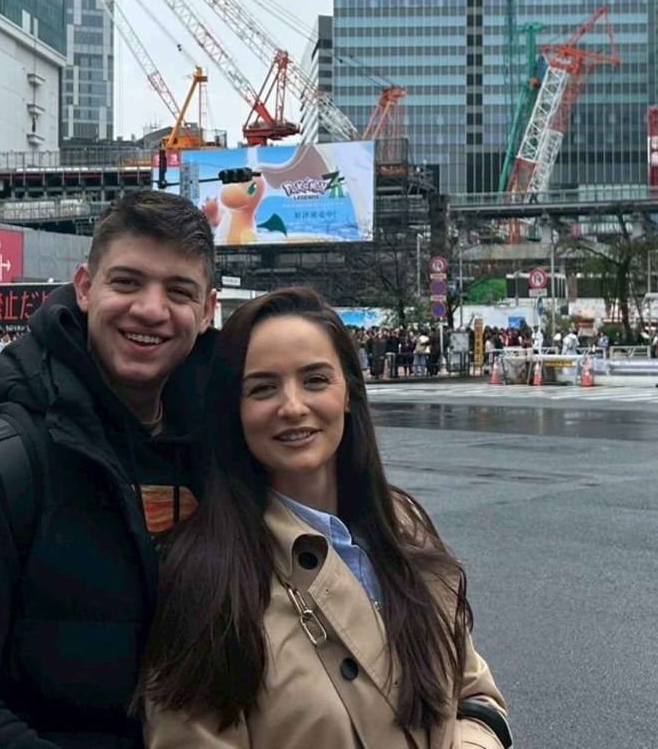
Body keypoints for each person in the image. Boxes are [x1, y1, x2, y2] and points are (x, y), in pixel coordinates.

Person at [0, 190, 219, 748]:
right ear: (84, 288)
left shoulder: (224, 459)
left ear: (207, 309)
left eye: (178, 291)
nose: (150, 309)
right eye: (127, 282)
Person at [139, 288, 510, 748]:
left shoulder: (404, 525)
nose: (292, 406)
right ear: (233, 411)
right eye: (263, 387)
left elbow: (476, 698)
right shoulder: (204, 575)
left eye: (315, 380)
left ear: (350, 392)